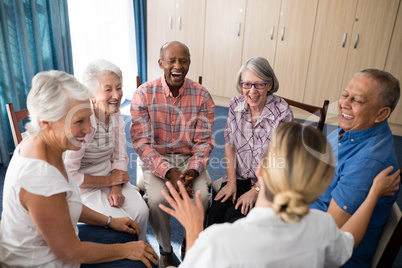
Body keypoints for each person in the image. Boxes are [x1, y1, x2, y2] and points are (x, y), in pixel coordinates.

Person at [159, 122, 401, 267]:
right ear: (320, 185)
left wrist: (192, 231)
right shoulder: (323, 227)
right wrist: (372, 196)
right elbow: (347, 242)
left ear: (260, 169)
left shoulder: (217, 242)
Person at [0, 70, 158, 267]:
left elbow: (67, 204)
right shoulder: (40, 179)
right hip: (48, 261)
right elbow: (71, 253)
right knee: (144, 261)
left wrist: (109, 221)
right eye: (79, 122)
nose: (89, 129)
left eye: (87, 118)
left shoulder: (43, 145)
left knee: (130, 234)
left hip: (61, 242)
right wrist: (127, 250)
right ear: (46, 123)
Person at [130, 41, 215, 268]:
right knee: (157, 200)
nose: (178, 66)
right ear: (161, 63)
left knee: (203, 198)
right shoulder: (143, 94)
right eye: (171, 61)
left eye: (183, 60)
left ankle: (190, 242)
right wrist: (169, 173)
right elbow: (142, 143)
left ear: (189, 64)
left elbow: (204, 141)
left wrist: (193, 170)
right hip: (157, 159)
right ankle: (166, 249)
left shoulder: (203, 96)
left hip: (189, 160)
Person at [311, 69, 401, 267]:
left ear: (381, 114)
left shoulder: (368, 162)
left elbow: (326, 235)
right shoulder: (350, 130)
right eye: (345, 95)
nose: (343, 103)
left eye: (357, 100)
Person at [64, 59, 149, 241]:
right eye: (108, 89)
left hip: (110, 178)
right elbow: (70, 174)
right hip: (83, 188)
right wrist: (109, 179)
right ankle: (126, 254)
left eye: (119, 87)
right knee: (123, 223)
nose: (117, 95)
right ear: (91, 95)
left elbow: (119, 154)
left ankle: (140, 253)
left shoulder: (115, 113)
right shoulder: (81, 122)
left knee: (142, 211)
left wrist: (115, 186)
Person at [208, 57, 293, 225]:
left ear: (269, 85)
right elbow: (230, 145)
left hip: (268, 182)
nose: (252, 91)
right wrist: (231, 182)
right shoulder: (235, 104)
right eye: (246, 84)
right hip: (239, 175)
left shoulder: (282, 112)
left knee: (234, 217)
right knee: (216, 211)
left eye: (259, 84)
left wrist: (256, 191)